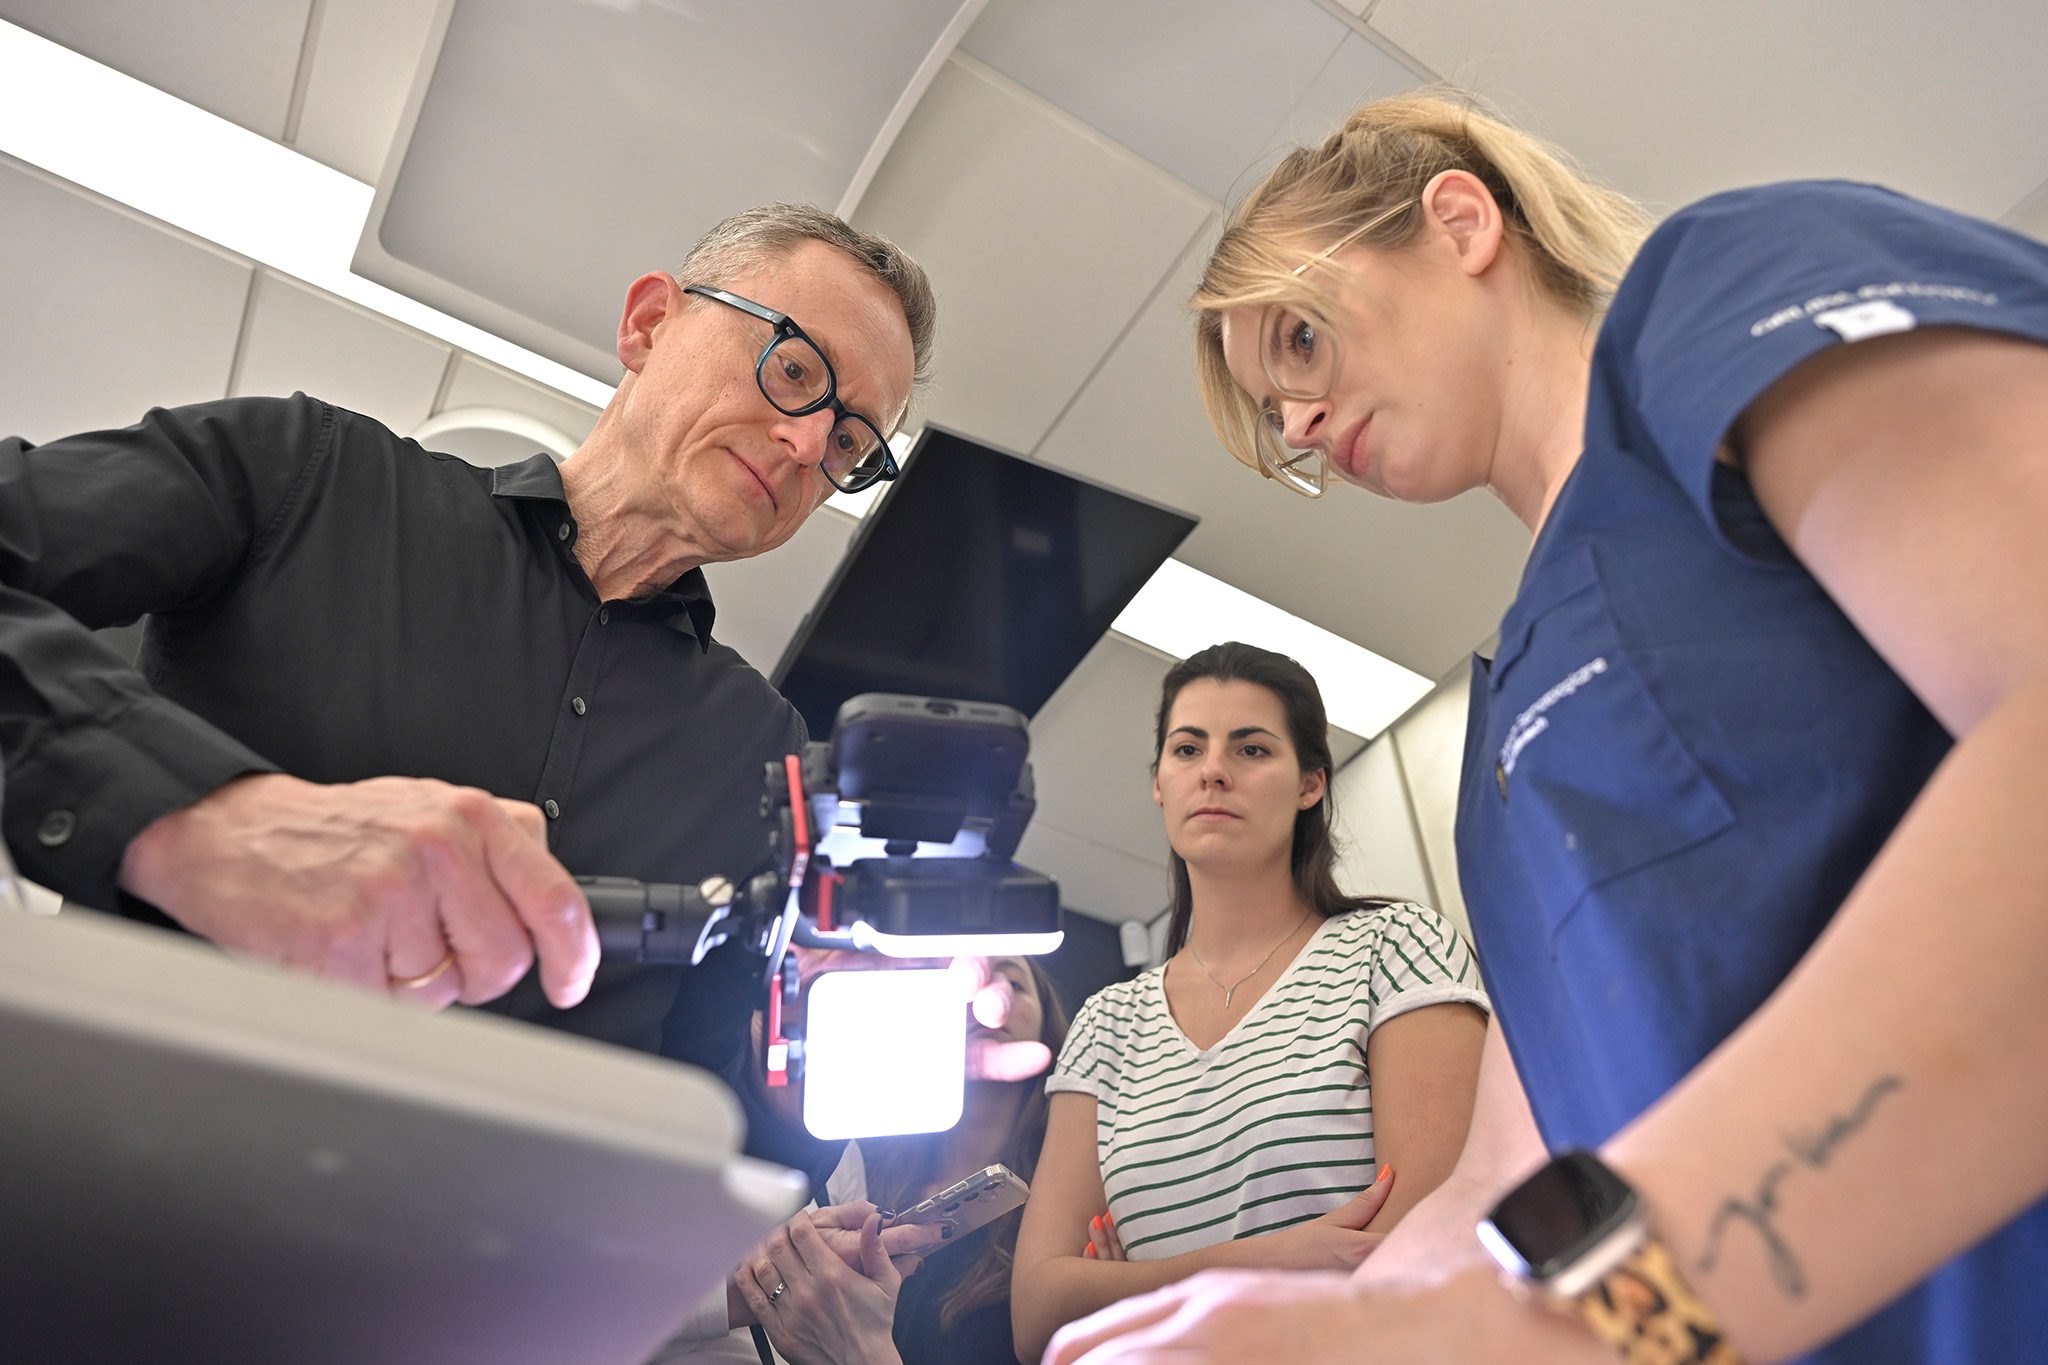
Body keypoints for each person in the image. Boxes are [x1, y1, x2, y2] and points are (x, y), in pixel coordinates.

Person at [1047, 93, 2048, 1365]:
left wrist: (1561, 1316)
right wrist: (1319, 1329)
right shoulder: (1506, 750)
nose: (1295, 423)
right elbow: (1501, 1180)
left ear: (1460, 224)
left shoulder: (1718, 294)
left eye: (1298, 340)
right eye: (1271, 413)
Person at [0, 203, 939, 1093]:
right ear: (650, 324)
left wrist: (813, 1057)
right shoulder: (306, 475)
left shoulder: (765, 754)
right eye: (795, 369)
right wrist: (205, 819)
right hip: (113, 1165)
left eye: (851, 443)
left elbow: (712, 1087)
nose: (806, 443)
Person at [1014, 641, 1490, 1360]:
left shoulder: (1396, 947)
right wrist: (1275, 1257)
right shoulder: (1106, 1024)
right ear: (1159, 784)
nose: (1213, 769)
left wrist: (1133, 1286)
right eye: (1187, 748)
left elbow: (1420, 1255)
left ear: (1310, 785)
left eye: (1252, 748)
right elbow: (1038, 1314)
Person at [656, 954, 1067, 1365]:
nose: (989, 1004)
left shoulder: (1052, 1222)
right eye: (969, 989)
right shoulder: (857, 1159)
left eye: (1017, 984)